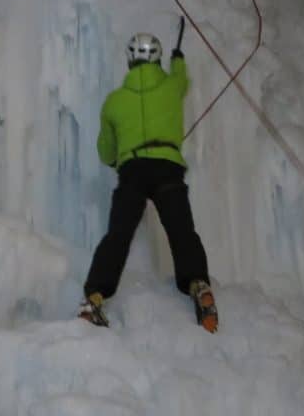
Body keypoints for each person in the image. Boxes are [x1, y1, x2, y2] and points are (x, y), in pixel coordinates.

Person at [78, 31, 218, 332]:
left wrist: (120, 160)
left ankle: (95, 297)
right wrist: (177, 60)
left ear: (130, 59)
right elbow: (183, 79)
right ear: (156, 57)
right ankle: (199, 285)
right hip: (168, 169)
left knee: (118, 236)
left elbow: (105, 152)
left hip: (133, 172)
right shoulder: (171, 86)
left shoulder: (114, 102)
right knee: (182, 232)